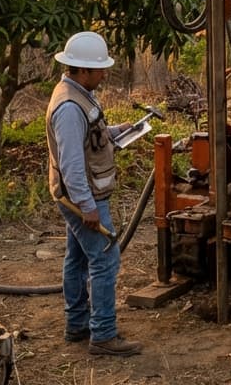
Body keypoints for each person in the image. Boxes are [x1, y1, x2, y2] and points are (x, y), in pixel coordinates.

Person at [46, 31, 142, 357]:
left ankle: (77, 324)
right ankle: (103, 335)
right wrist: (87, 206)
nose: (104, 74)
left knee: (77, 258)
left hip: (81, 194)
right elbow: (72, 164)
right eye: (100, 69)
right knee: (105, 258)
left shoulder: (77, 94)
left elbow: (90, 137)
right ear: (83, 70)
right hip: (82, 197)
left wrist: (117, 131)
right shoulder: (70, 107)